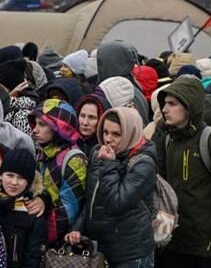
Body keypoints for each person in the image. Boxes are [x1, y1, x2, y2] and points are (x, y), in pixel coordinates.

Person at [153, 76, 211, 267]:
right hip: (174, 246)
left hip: (206, 251)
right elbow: (165, 195)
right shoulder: (169, 140)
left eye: (172, 103)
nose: (165, 109)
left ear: (188, 106)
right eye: (164, 104)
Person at [66, 107, 157, 267]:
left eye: (116, 134)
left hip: (129, 253)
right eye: (105, 132)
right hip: (100, 248)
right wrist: (78, 228)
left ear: (130, 133)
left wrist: (108, 164)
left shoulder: (143, 163)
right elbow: (92, 198)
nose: (108, 139)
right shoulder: (98, 152)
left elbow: (117, 202)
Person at [28, 99, 87, 246]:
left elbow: (66, 214)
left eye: (42, 124)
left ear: (59, 128)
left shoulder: (75, 160)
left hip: (56, 243)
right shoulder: (42, 153)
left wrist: (37, 240)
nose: (35, 130)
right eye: (35, 123)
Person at [0, 148, 47, 268]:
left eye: (21, 178)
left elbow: (33, 257)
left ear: (29, 182)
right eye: (10, 175)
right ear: (0, 175)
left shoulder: (33, 213)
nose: (14, 182)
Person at [75, 92, 111, 157]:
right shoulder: (68, 143)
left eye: (92, 117)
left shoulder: (107, 151)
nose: (85, 123)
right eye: (82, 116)